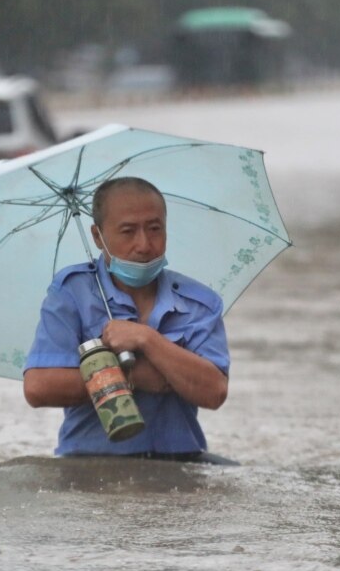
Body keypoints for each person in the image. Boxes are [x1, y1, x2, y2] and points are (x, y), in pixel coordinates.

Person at [23, 176, 230, 458]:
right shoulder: (72, 293)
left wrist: (147, 339)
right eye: (128, 231)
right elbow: (38, 387)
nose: (144, 244)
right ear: (98, 236)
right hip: (90, 465)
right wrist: (134, 376)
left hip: (181, 463)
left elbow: (214, 391)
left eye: (155, 229)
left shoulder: (200, 303)